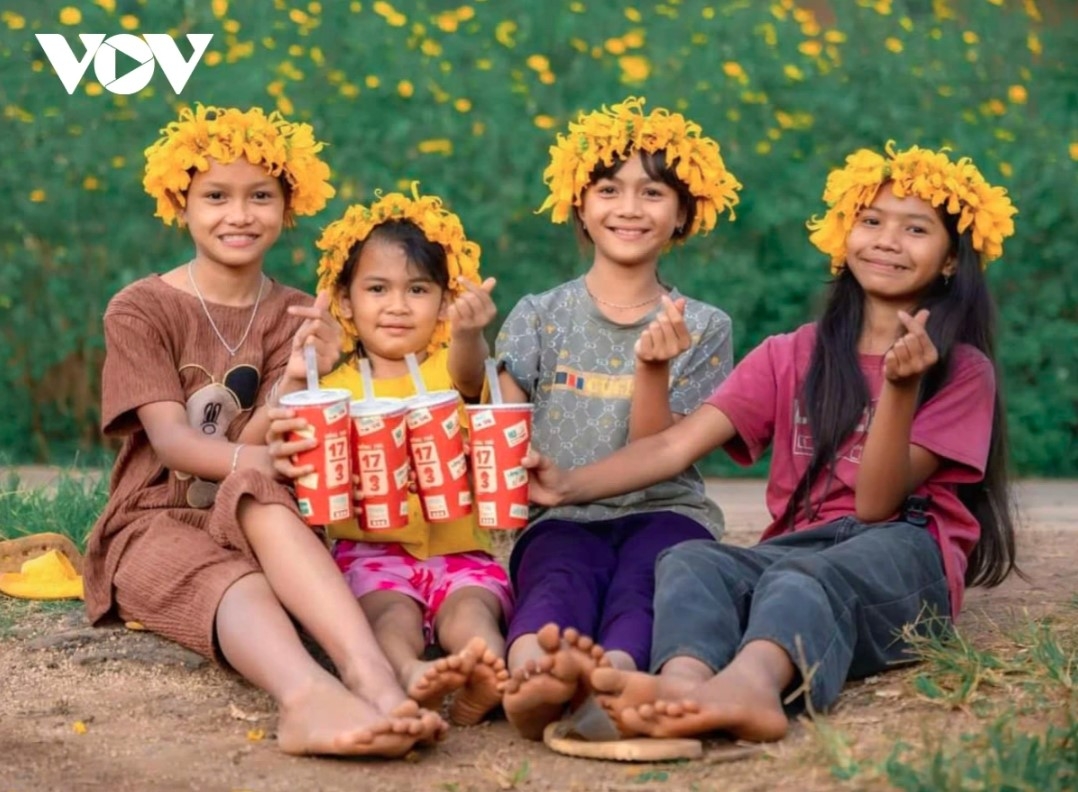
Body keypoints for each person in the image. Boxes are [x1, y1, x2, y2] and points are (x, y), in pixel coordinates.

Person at [525, 142, 1019, 742]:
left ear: (949, 261)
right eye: (870, 222)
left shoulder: (963, 370)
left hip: (902, 550)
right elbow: (670, 449)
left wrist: (899, 388)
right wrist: (566, 483)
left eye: (915, 229)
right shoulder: (790, 355)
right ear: (844, 237)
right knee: (688, 561)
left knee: (800, 579)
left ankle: (753, 689)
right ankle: (682, 683)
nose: (887, 240)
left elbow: (875, 505)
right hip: (797, 547)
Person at [83, 105, 444, 757]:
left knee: (256, 485)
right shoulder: (141, 308)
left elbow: (284, 431)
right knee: (233, 552)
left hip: (261, 512)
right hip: (153, 519)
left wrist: (310, 373)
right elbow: (171, 443)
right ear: (181, 202)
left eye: (261, 197)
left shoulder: (296, 313)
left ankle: (374, 678)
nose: (239, 215)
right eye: (216, 196)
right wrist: (262, 455)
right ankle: (307, 697)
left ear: (288, 204)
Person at [494, 97, 742, 740]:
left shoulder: (704, 326)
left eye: (653, 192)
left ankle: (618, 684)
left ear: (684, 211)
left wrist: (653, 370)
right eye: (609, 189)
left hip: (666, 511)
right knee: (556, 578)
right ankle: (532, 678)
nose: (629, 208)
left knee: (651, 580)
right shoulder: (539, 315)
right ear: (580, 203)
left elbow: (657, 454)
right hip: (561, 515)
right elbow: (497, 420)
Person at [267, 187, 512, 726]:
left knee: (472, 611)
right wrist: (294, 371)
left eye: (418, 289)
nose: (398, 306)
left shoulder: (454, 367)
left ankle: (484, 666)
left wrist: (471, 332)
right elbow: (278, 428)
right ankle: (405, 671)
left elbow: (473, 378)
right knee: (388, 616)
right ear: (346, 301)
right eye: (378, 288)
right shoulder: (332, 386)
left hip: (459, 551)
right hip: (369, 553)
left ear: (446, 301)